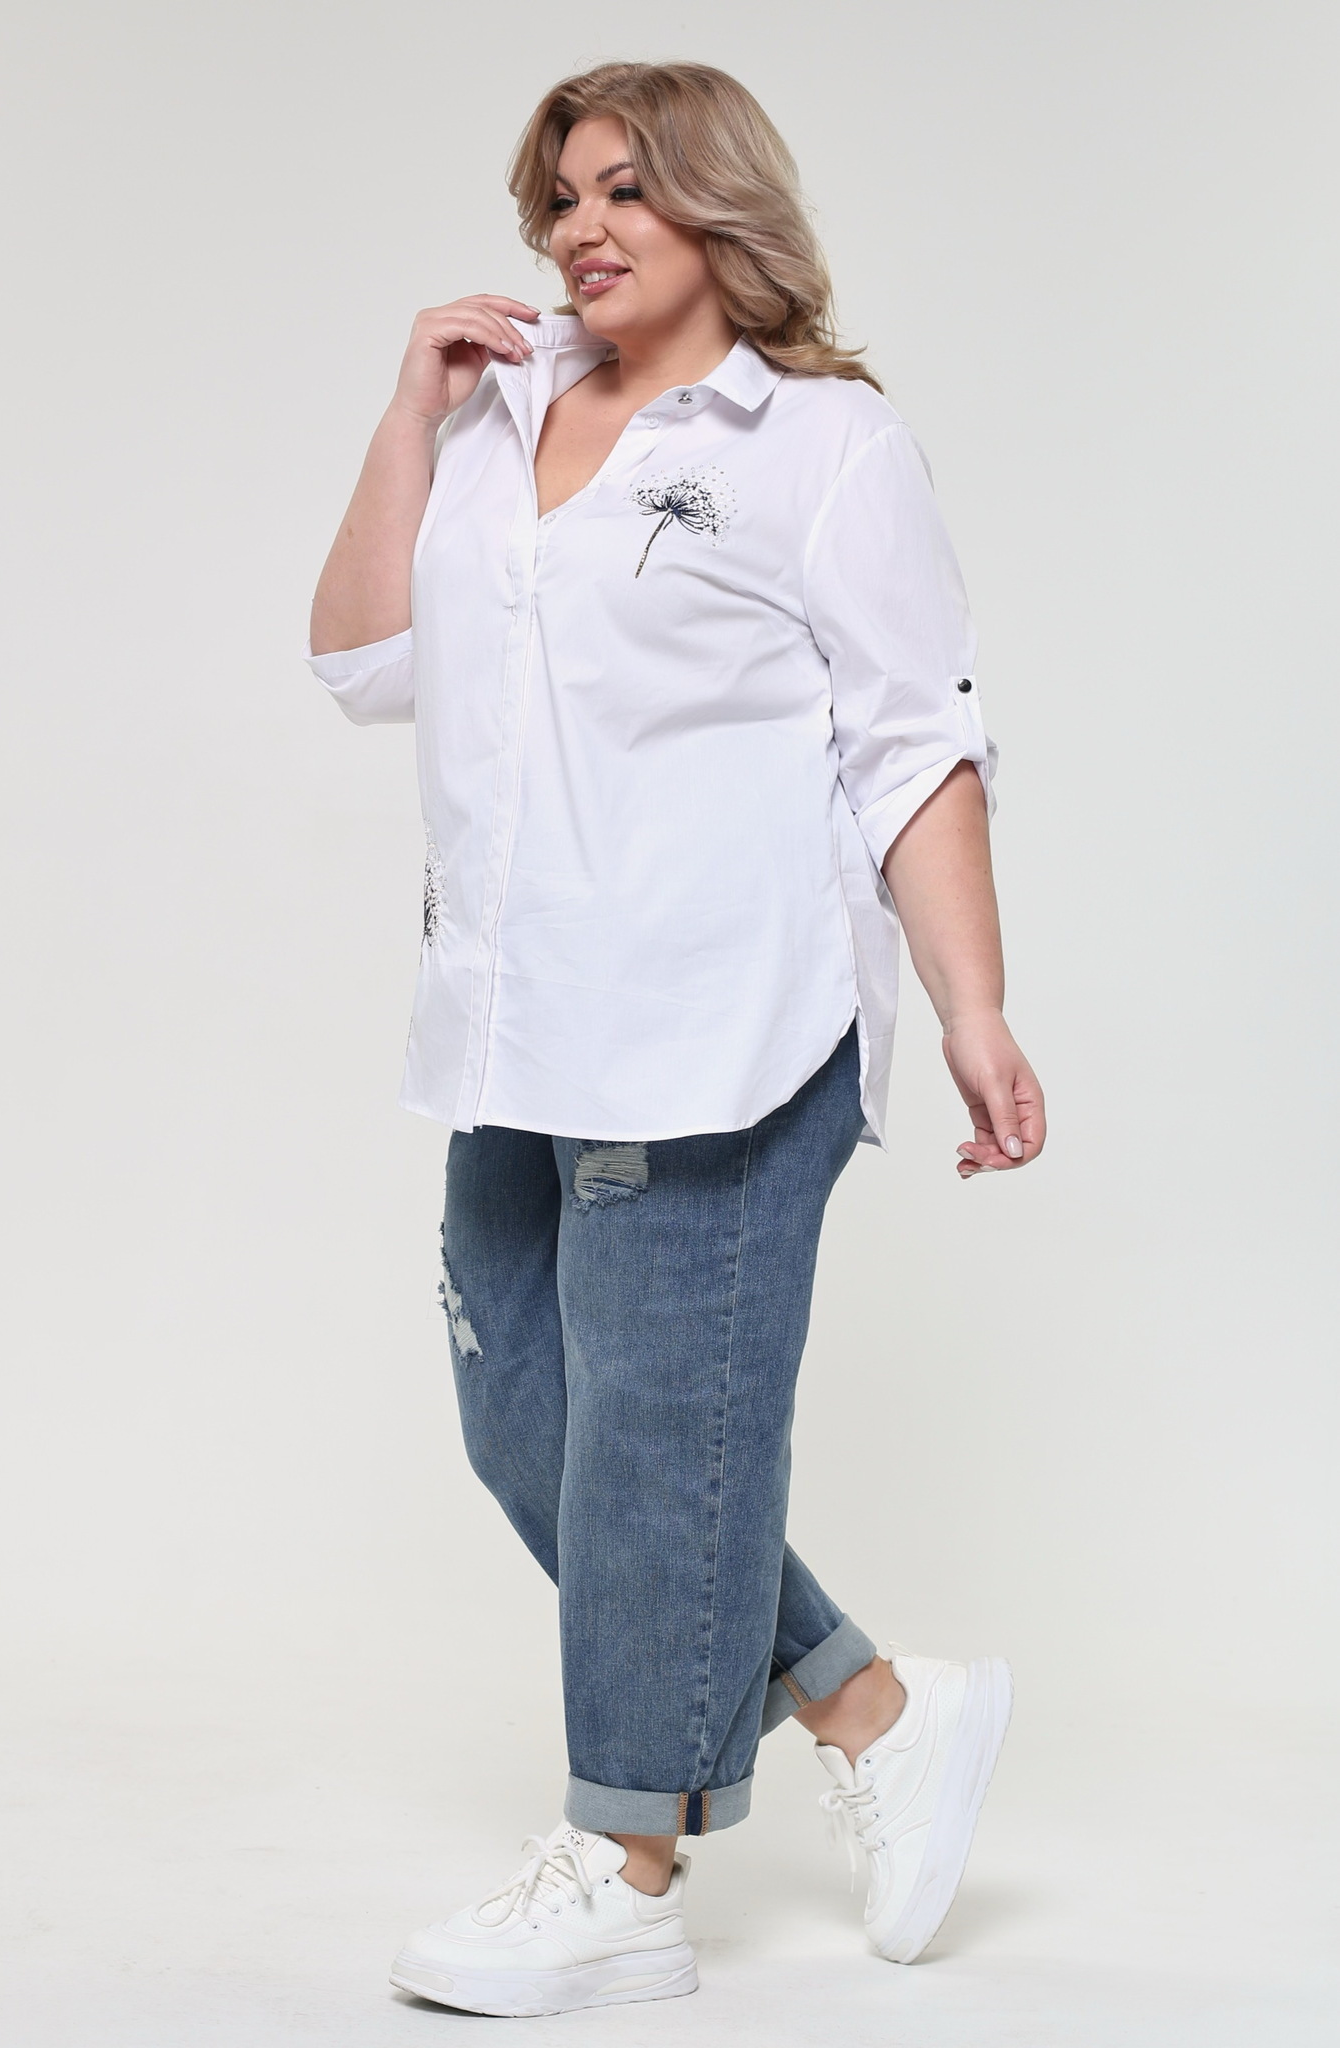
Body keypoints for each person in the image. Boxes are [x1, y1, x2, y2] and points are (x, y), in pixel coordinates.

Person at [305, 59, 1046, 2021]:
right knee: (529, 1417)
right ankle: (874, 1711)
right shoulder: (502, 418)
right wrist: (409, 415)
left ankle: (627, 1868)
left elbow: (915, 742)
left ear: (723, 206)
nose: (583, 228)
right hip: (514, 1018)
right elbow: (362, 662)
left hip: (723, 1023)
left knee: (651, 1431)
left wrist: (973, 1007)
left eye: (627, 188)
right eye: (560, 195)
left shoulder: (821, 443)